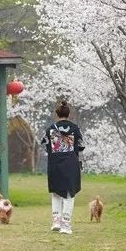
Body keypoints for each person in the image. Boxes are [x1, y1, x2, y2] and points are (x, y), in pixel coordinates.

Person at [41, 99, 84, 234]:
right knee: (69, 194)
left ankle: (56, 221)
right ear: (68, 114)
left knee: (56, 192)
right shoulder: (75, 129)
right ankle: (66, 224)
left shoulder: (50, 129)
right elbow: (81, 146)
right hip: (71, 164)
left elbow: (44, 144)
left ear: (57, 114)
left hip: (55, 164)